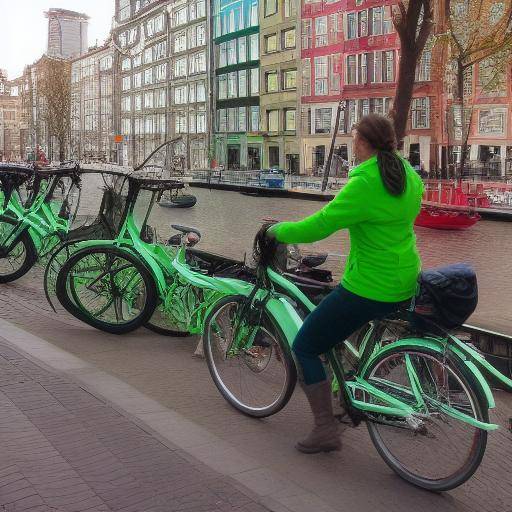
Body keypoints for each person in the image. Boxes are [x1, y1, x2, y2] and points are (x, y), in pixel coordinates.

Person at [266, 114, 424, 454]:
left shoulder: (365, 182)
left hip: (370, 284)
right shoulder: (408, 175)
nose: (353, 145)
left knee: (306, 344)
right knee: (345, 334)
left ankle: (325, 429)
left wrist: (276, 230)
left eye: (355, 139)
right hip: (405, 277)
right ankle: (348, 391)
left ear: (363, 143)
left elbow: (320, 226)